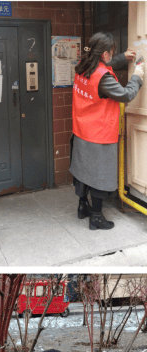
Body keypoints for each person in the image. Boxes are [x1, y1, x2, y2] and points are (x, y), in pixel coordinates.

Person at [70, 32, 144, 230]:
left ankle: (82, 207)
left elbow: (102, 67)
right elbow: (126, 95)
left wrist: (121, 58)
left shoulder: (82, 67)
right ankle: (96, 217)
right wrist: (137, 76)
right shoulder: (103, 77)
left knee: (83, 172)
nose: (112, 54)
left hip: (81, 130)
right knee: (99, 176)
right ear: (104, 54)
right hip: (99, 134)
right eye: (112, 52)